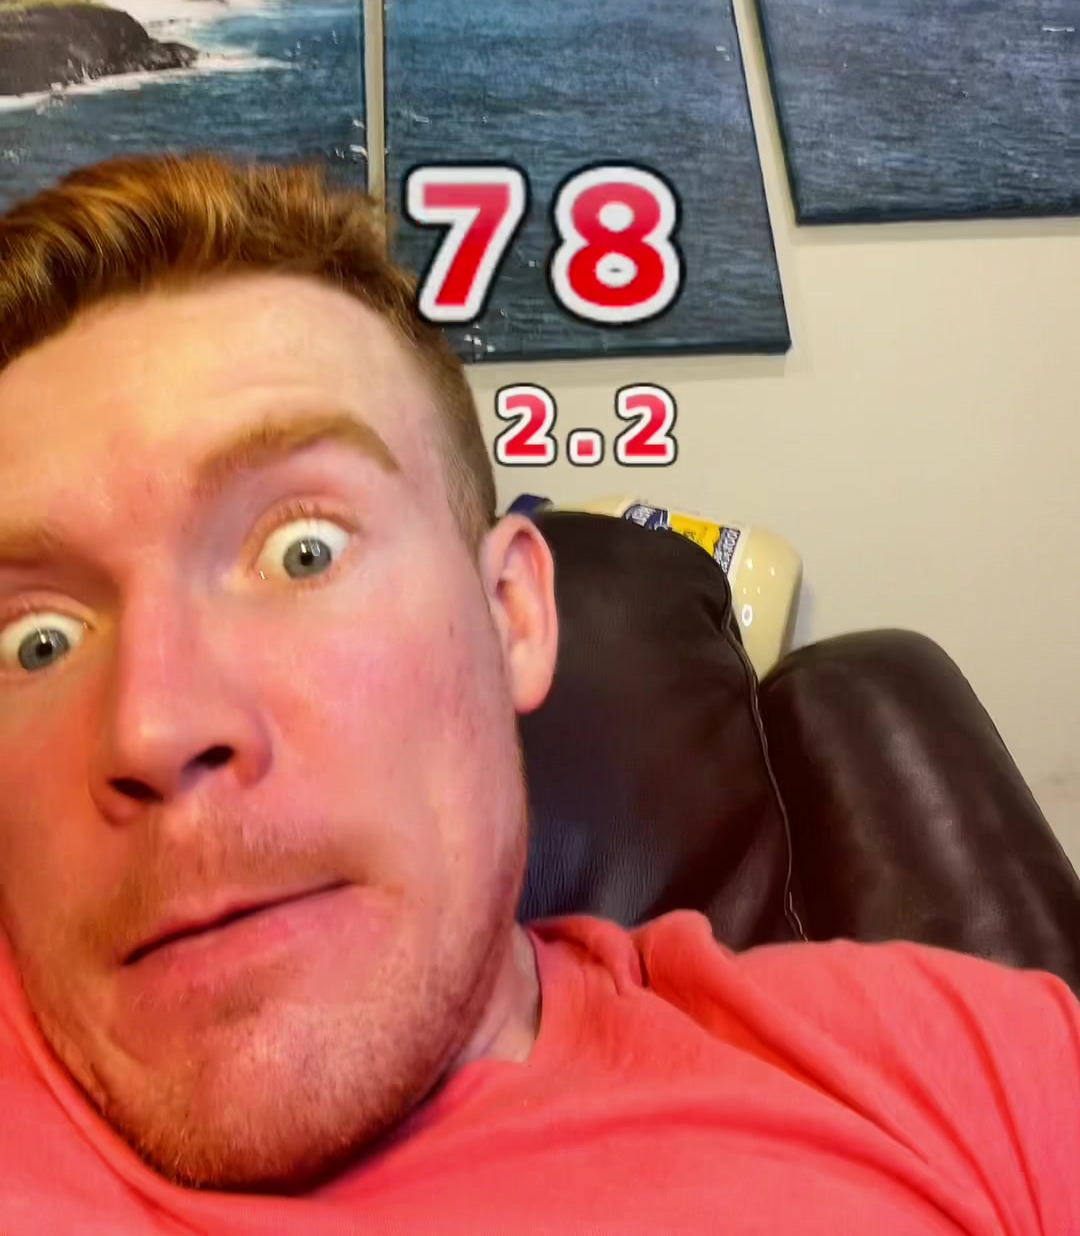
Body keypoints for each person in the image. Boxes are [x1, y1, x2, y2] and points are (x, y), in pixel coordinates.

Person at [0, 152, 1076, 1235]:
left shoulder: (972, 1075)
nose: (154, 727)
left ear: (511, 615)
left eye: (304, 552)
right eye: (38, 641)